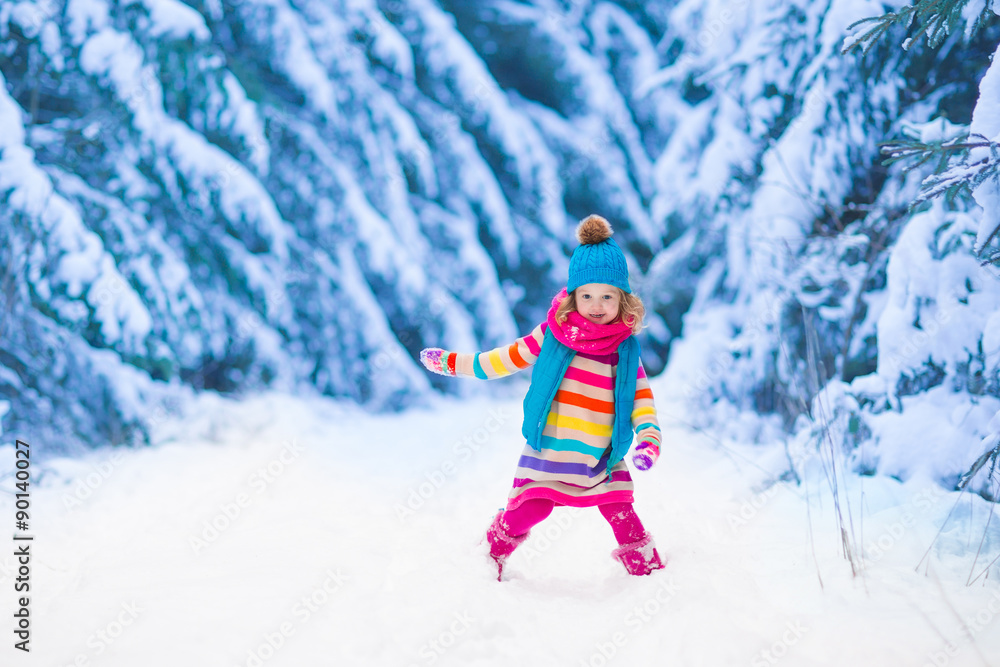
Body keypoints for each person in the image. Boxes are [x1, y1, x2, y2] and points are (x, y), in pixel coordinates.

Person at [419, 214, 664, 580]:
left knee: (621, 512)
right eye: (587, 295)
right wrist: (455, 363)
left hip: (600, 455)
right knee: (529, 511)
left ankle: (652, 576)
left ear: (623, 300)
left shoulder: (625, 351)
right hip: (549, 452)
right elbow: (503, 359)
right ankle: (489, 555)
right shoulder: (553, 335)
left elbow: (642, 402)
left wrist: (648, 441)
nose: (597, 305)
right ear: (573, 296)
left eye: (607, 296)